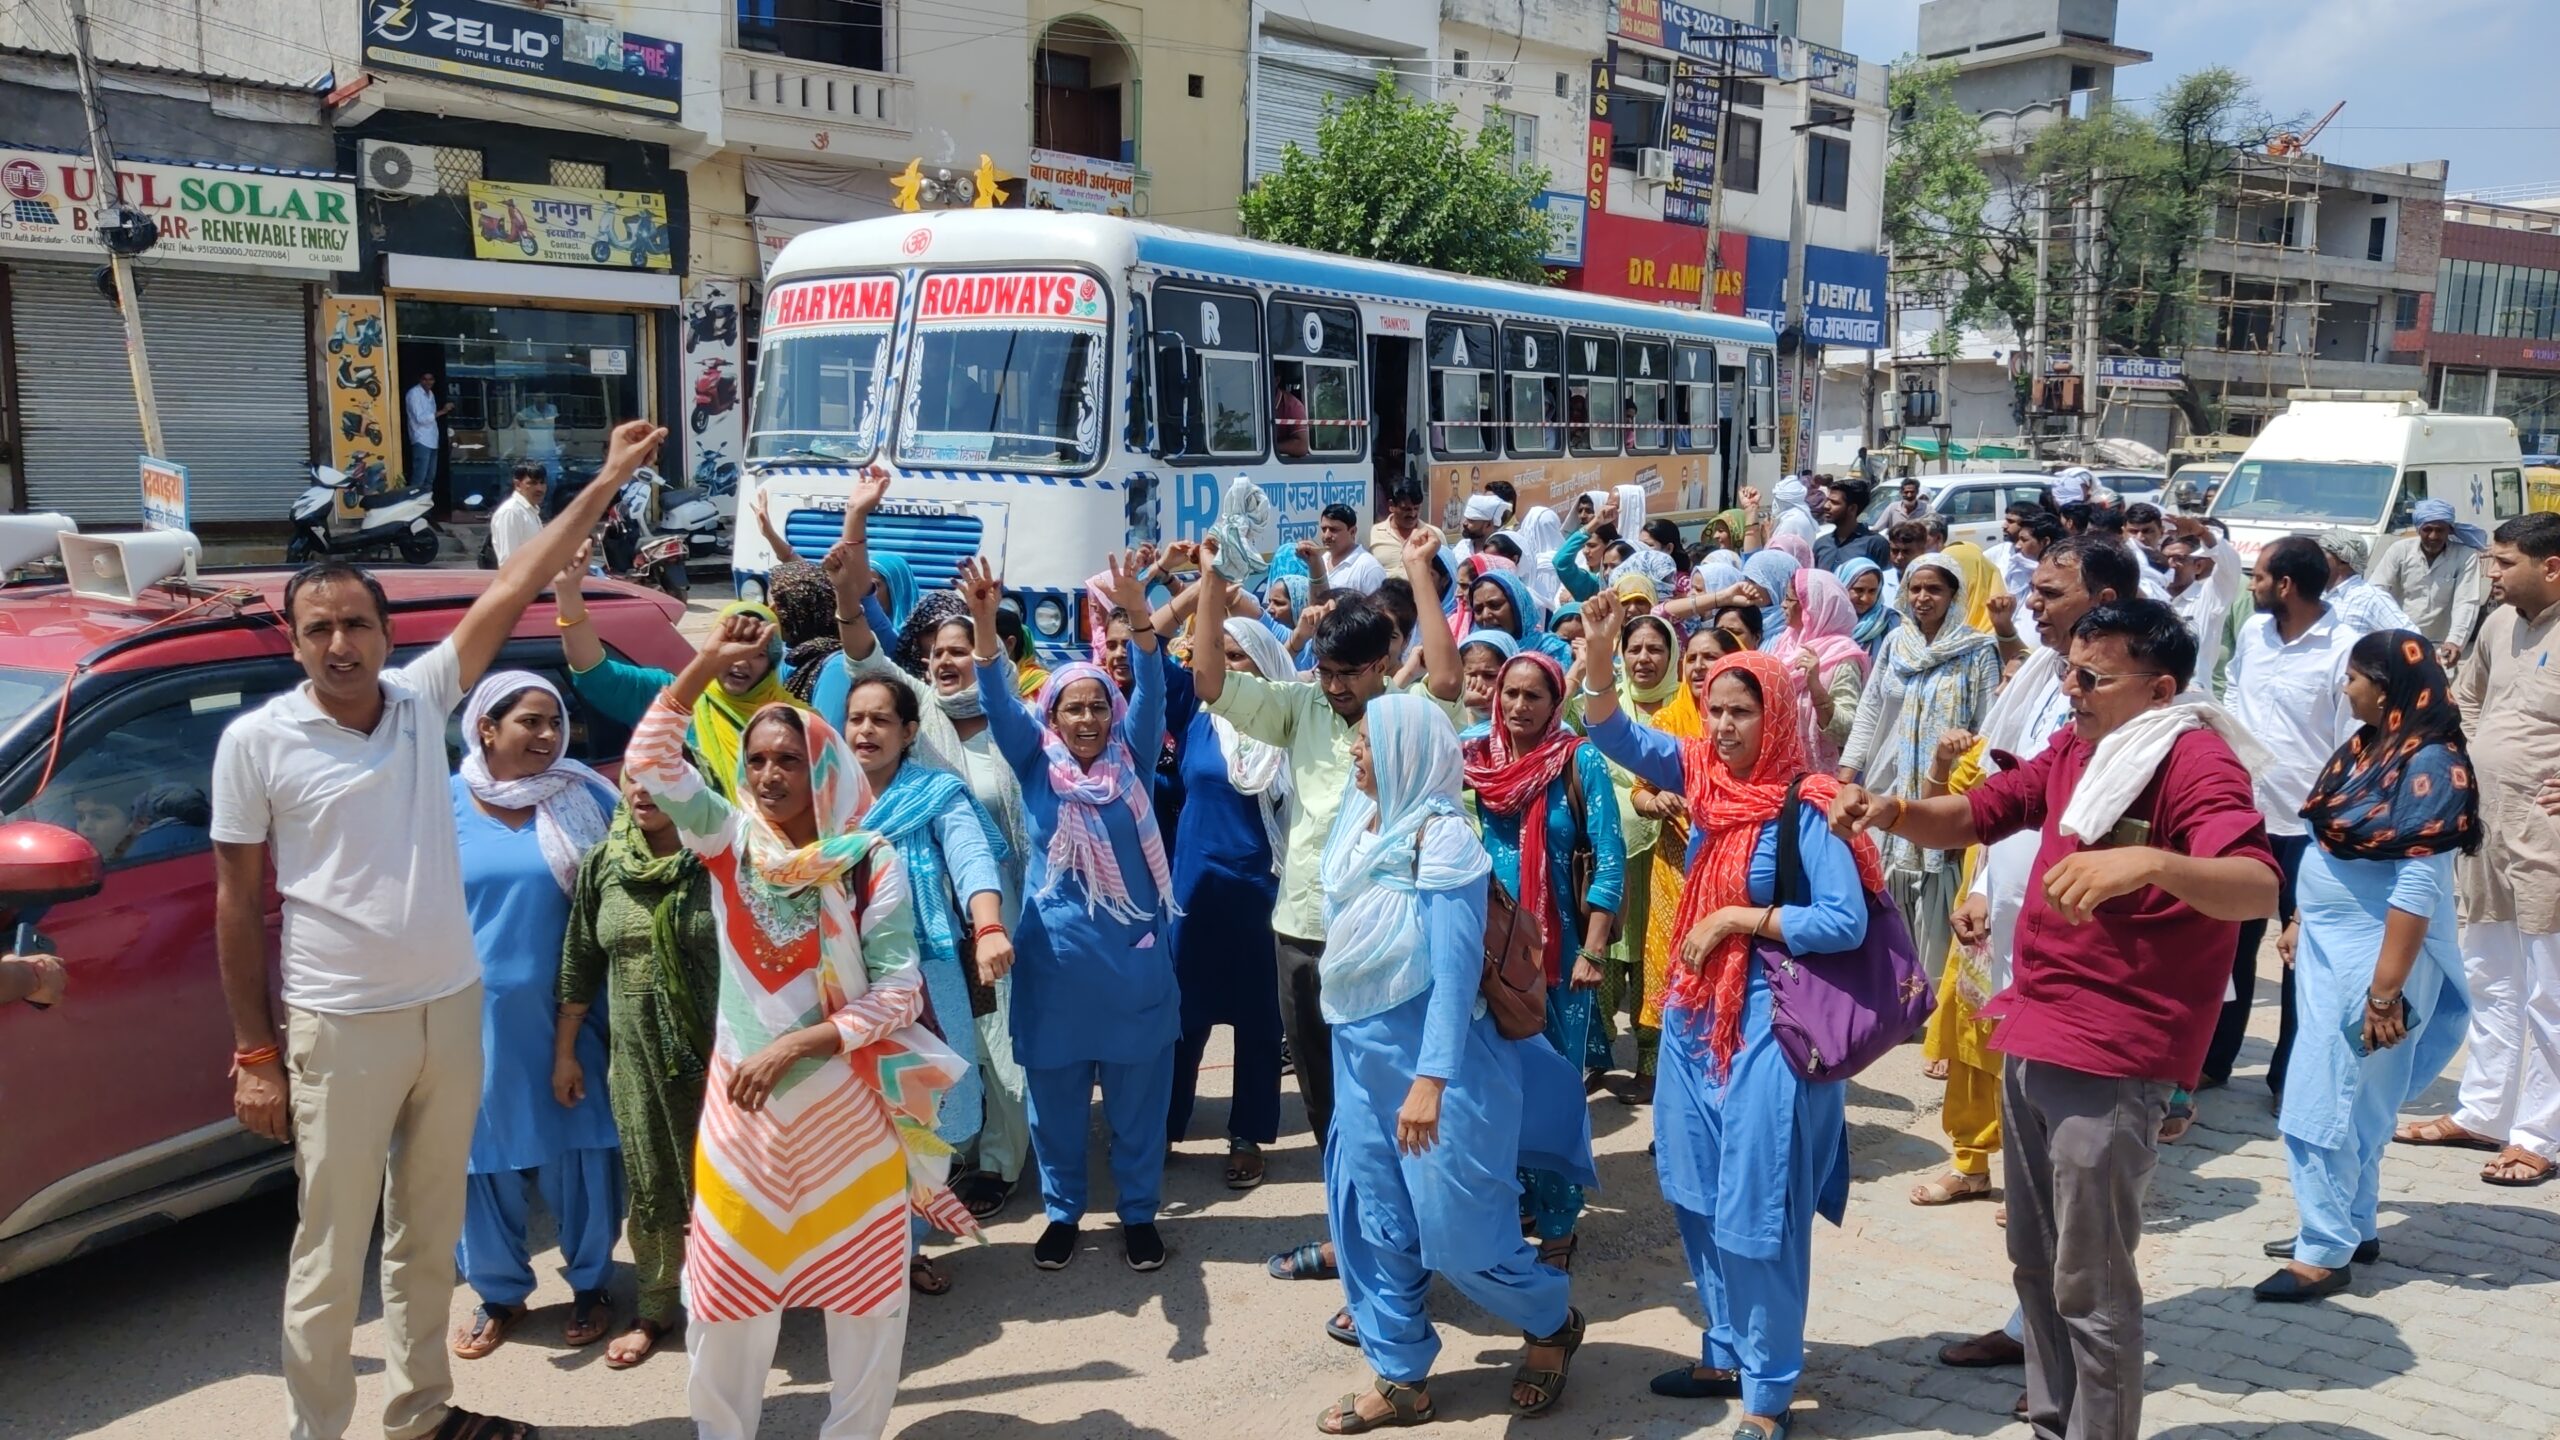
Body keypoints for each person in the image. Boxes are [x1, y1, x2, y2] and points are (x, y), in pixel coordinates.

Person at [212, 417, 662, 1440]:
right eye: (318, 628)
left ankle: (419, 1415)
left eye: (355, 625)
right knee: (330, 1252)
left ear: (385, 633)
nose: (339, 644)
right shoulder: (256, 744)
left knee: (426, 1236)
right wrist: (255, 1051)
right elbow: (237, 903)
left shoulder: (420, 704)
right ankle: (315, 1429)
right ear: (294, 641)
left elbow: (514, 582)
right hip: (341, 1022)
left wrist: (605, 479)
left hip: (447, 1010)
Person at [1831, 599, 2279, 1440]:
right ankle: (2053, 1423)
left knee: (2093, 1281)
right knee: (2034, 1264)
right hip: (2034, 1028)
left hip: (2114, 1051)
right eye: (2070, 670)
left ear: (2162, 689)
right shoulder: (2079, 746)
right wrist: (1889, 809)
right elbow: (1978, 812)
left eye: (2092, 677)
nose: (2069, 688)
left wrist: (2147, 860)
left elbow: (2258, 885)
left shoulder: (2193, 761)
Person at [624, 613, 978, 1440]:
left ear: (822, 765)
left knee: (866, 1304)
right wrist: (706, 661)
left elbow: (897, 993)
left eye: (790, 759)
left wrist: (799, 1043)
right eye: (757, 762)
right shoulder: (727, 841)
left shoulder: (867, 861)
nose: (772, 775)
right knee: (722, 1303)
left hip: (846, 1121)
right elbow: (649, 760)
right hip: (743, 1123)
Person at [1578, 606, 1869, 1440]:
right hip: (1697, 1018)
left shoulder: (1805, 804)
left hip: (1772, 1032)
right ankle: (1723, 1350)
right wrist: (1600, 658)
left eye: (1744, 711)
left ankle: (1769, 1392)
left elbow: (1843, 921)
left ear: (1777, 715)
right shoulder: (1704, 775)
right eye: (1716, 711)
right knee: (1695, 1194)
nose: (1726, 725)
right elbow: (1614, 735)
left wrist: (1742, 918)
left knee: (1758, 1211)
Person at [1194, 525, 1463, 1293]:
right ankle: (1359, 1240)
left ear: (1383, 664)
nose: (1334, 686)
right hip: (1303, 935)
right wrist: (1213, 585)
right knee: (1327, 1105)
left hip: (1385, 946)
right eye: (1325, 669)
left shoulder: (1407, 718)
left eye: (1349, 673)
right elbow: (1210, 682)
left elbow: (1445, 680)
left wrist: (1415, 568)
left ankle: (1397, 1257)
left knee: (1389, 1105)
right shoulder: (1299, 708)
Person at [1314, 694, 1591, 1432]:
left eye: (1368, 743)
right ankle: (1401, 1376)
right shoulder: (1361, 823)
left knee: (1463, 1236)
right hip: (1359, 1060)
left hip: (1442, 1072)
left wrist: (1430, 1082)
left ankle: (1550, 1319)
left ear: (1406, 750)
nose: (1355, 755)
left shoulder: (1444, 843)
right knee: (1376, 1224)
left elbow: (1456, 966)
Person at [957, 552, 1179, 1270]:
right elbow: (994, 700)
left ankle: (1139, 1213)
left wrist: (1138, 616)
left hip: (1133, 969)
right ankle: (1063, 1212)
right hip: (1054, 968)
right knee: (1053, 1107)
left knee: (1137, 1106)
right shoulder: (1034, 764)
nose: (1085, 718)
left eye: (1095, 706)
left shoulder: (1133, 761)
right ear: (1050, 717)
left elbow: (1152, 690)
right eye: (1070, 707)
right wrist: (986, 625)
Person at [1916, 537, 2135, 1227]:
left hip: (2075, 915)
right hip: (2000, 891)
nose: (2026, 605)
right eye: (2031, 590)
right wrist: (1979, 883)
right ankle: (1985, 1163)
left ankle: (2050, 1182)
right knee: (1982, 1029)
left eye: (2047, 593)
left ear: (2101, 600)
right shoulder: (2041, 673)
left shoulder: (2144, 693)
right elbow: (1999, 788)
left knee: (2057, 1055)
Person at [822, 527, 1035, 1221]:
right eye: (936, 654)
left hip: (1002, 913)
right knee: (940, 1059)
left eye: (961, 654)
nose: (948, 665)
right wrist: (849, 577)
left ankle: (1000, 1164)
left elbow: (977, 844)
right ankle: (952, 1164)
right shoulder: (924, 728)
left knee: (1001, 1052)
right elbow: (869, 658)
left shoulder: (1015, 721)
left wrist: (993, 922)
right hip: (940, 928)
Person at [2260, 630, 2478, 1302]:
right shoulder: (2369, 748)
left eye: (2353, 677)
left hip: (2374, 961)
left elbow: (2419, 887)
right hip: (2336, 948)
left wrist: (2385, 993)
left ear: (2384, 687)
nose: (2343, 687)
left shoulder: (2432, 765)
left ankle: (2323, 1252)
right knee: (2361, 1100)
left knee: (2324, 1101)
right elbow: (2328, 841)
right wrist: (2300, 919)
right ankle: (2353, 1222)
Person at [448, 673, 623, 1361]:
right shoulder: (440, 805)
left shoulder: (587, 800)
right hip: (474, 1019)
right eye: (530, 721)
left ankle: (591, 1285)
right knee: (478, 1156)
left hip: (574, 1017)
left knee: (582, 1147)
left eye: (556, 722)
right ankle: (499, 1293)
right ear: (485, 728)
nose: (548, 736)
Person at [837, 670, 1013, 1293]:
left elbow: (971, 855)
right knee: (853, 1119)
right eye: (856, 718)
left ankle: (906, 1245)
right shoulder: (825, 801)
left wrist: (987, 925)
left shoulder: (936, 793)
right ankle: (861, 1254)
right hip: (843, 985)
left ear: (909, 731)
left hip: (926, 979)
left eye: (881, 719)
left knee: (935, 1118)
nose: (865, 730)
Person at [2399, 512, 2560, 1183]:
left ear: (2551, 566)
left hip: (2545, 836)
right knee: (2489, 976)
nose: (2490, 574)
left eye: (2503, 562)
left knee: (2548, 991)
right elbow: (2467, 703)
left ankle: (2539, 1135)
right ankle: (2485, 1110)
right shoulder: (2497, 624)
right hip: (2486, 828)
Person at [1461, 651, 1622, 1270]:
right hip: (1489, 956)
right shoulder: (1477, 761)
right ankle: (1517, 1203)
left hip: (1558, 962)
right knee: (1498, 1090)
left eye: (1534, 696)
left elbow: (1607, 858)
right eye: (1510, 695)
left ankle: (1558, 1228)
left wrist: (1594, 947)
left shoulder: (1578, 758)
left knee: (1552, 1093)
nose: (1519, 707)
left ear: (1557, 702)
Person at [557, 767, 720, 1368]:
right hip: (638, 1060)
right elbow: (579, 962)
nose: (643, 791)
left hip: (720, 1058)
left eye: (662, 777)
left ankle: (743, 1303)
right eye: (632, 778)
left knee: (729, 1185)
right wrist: (566, 1051)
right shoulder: (606, 863)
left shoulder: (721, 859)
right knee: (651, 1183)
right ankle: (655, 1306)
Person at [2212, 535, 2360, 1097]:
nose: (2252, 587)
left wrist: (2333, 827)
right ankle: (2215, 1059)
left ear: (2286, 585)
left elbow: (2353, 743)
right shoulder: (2254, 633)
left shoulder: (2346, 647)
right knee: (2229, 945)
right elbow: (2235, 703)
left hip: (2309, 830)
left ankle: (2291, 1082)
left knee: (2306, 958)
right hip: (2244, 818)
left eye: (2259, 577)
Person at [1163, 613, 1293, 1192]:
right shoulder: (1195, 715)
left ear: (1265, 666)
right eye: (1219, 656)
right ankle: (1165, 1123)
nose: (1225, 668)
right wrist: (1203, 584)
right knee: (1181, 1013)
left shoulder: (1289, 725)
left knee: (1259, 1016)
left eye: (1238, 658)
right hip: (1194, 885)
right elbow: (1150, 651)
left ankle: (1248, 1134)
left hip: (1264, 887)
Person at [1837, 550, 2002, 980]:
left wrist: (1962, 752)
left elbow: (1989, 722)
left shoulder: (1977, 650)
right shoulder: (1895, 644)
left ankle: (1931, 989)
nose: (1923, 598)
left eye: (1934, 589)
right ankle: (1893, 987)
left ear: (1954, 595)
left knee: (1936, 880)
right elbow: (1870, 712)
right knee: (1886, 881)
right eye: (1915, 588)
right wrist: (1845, 775)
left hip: (1943, 786)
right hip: (1887, 781)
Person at [2373, 498, 2487, 663]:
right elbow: (2378, 591)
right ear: (2418, 529)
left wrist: (2455, 641)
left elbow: (2466, 602)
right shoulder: (2400, 551)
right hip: (2398, 639)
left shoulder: (2465, 556)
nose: (2433, 536)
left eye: (2440, 530)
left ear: (2449, 530)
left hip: (2440, 645)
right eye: (2427, 530)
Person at [1777, 569, 1869, 772]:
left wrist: (1816, 687)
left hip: (1820, 776)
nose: (1783, 604)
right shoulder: (1786, 642)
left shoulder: (1842, 656)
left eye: (1790, 599)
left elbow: (1846, 731)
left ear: (1812, 609)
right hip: (1781, 768)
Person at [2314, 529, 2415, 636]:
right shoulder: (2317, 593)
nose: (2316, 559)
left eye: (2322, 554)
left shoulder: (2370, 598)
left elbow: (2411, 638)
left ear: (2342, 559)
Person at [1813, 478, 1891, 573]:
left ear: (1852, 509)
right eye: (1828, 500)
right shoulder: (1821, 543)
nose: (1826, 506)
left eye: (1834, 503)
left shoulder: (1875, 545)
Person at [1317, 502, 1388, 596]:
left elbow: (1379, 608)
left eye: (1334, 530)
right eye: (1324, 529)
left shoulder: (1369, 568)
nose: (1326, 536)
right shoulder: (1322, 561)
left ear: (1352, 532)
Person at [1837, 557, 1899, 662]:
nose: (1865, 598)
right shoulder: (1828, 621)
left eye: (1872, 591)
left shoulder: (1889, 622)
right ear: (1843, 586)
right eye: (1859, 590)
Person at [488, 463, 545, 563]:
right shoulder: (511, 512)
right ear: (518, 485)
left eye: (542, 483)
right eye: (533, 483)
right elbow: (508, 560)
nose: (539, 488)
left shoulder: (530, 511)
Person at [1370, 480, 1425, 579]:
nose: (1412, 514)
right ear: (1391, 506)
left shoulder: (1433, 536)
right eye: (1406, 509)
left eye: (1416, 508)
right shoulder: (1373, 533)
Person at [405, 369, 448, 495]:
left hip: (432, 440)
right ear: (420, 380)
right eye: (425, 379)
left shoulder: (430, 394)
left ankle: (425, 509)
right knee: (419, 477)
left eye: (431, 379)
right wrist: (442, 411)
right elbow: (420, 419)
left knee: (430, 478)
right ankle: (413, 508)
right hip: (421, 439)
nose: (428, 382)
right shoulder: (414, 394)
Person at [1456, 492, 1509, 559]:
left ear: (1488, 525)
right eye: (1466, 518)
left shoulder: (1502, 555)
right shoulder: (1462, 546)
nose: (1465, 523)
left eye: (1471, 520)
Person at [1276, 380, 1311, 459]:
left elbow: (1301, 446)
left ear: (1277, 380)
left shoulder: (1293, 405)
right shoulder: (1251, 401)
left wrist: (1272, 447)